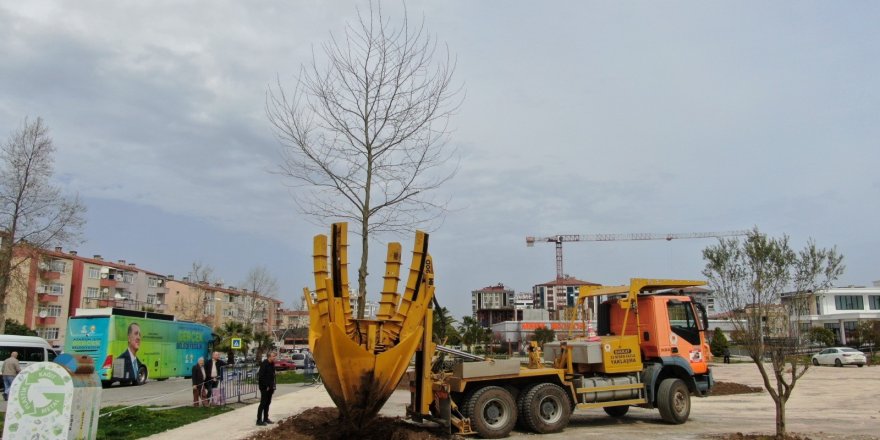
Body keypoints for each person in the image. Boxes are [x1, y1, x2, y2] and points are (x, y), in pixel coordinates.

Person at [256, 352, 277, 426]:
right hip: (264, 387)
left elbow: (272, 376)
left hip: (270, 387)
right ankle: (259, 420)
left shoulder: (272, 364)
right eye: (273, 356)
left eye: (275, 356)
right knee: (263, 403)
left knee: (268, 403)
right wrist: (266, 386)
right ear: (269, 357)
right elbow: (261, 377)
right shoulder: (264, 364)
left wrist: (273, 386)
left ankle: (266, 418)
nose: (275, 357)